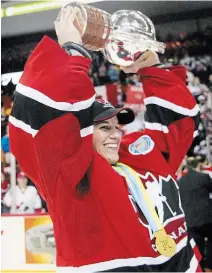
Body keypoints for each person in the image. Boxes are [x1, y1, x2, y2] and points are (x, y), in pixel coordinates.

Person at [9, 6, 201, 272]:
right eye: (103, 128)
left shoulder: (136, 159)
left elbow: (178, 125)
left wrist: (150, 67)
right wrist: (72, 53)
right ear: (81, 135)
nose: (114, 134)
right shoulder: (70, 182)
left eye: (115, 126)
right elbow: (46, 125)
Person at [178, 157, 212, 271]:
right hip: (207, 218)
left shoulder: (180, 182)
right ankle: (209, 266)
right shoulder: (204, 177)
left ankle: (201, 268)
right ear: (198, 165)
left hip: (190, 221)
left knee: (197, 247)